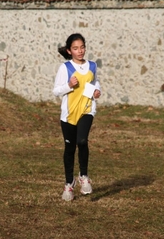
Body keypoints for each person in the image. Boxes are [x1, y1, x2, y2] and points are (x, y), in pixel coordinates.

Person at [53, 33, 101, 201]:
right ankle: (69, 184)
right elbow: (56, 91)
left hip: (87, 110)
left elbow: (95, 83)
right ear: (69, 51)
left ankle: (84, 176)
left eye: (82, 47)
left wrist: (97, 92)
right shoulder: (65, 68)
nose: (80, 51)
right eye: (75, 48)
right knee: (70, 149)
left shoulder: (93, 65)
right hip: (68, 115)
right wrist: (68, 85)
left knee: (82, 141)